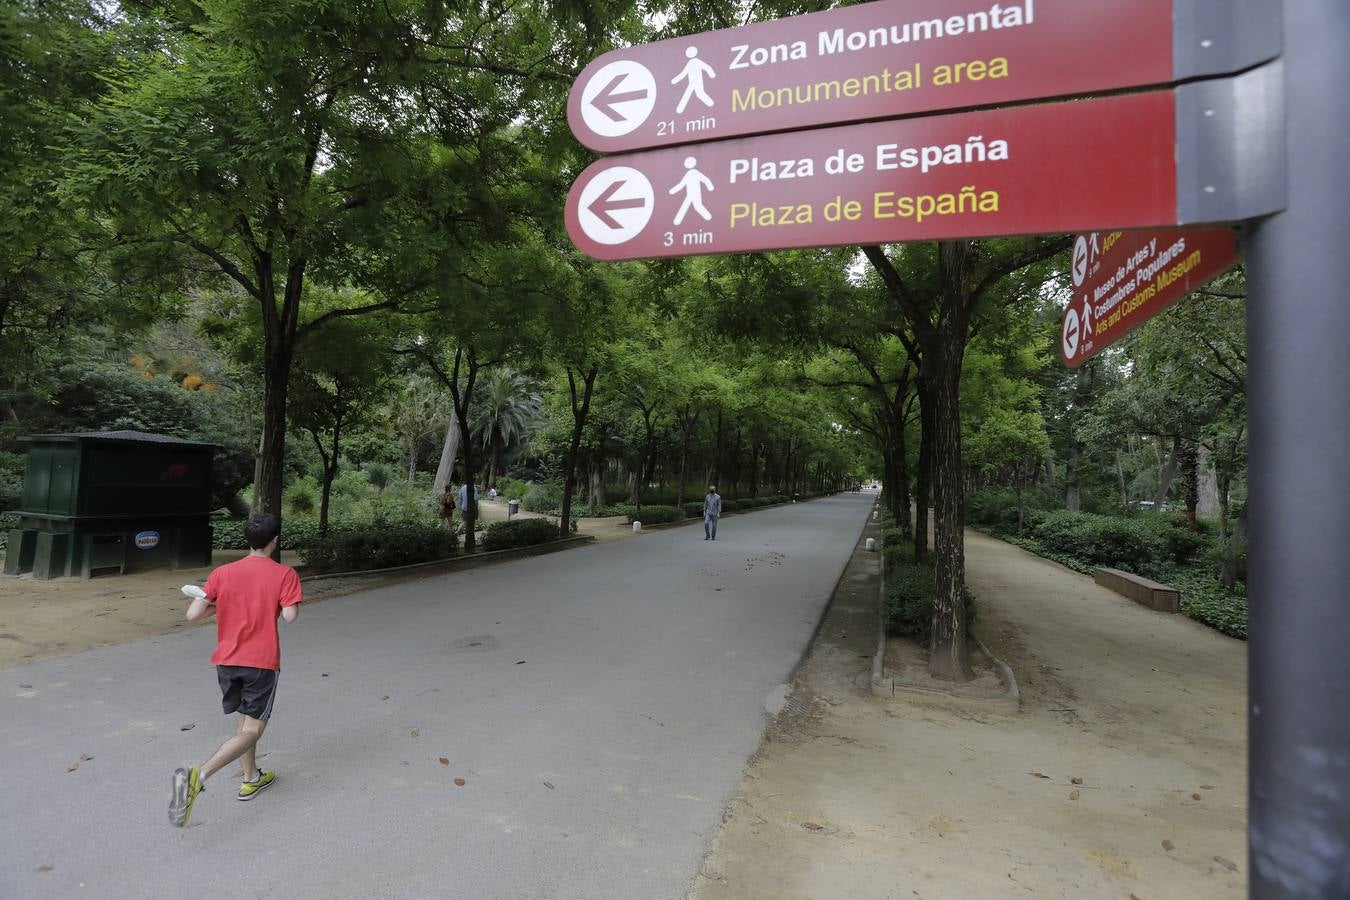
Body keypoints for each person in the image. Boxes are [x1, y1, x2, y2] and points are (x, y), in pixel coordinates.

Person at [168, 513, 302, 828]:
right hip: (260, 662)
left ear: (248, 540)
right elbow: (291, 616)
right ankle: (197, 776)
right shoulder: (284, 574)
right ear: (275, 541)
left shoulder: (223, 572)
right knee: (253, 730)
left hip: (227, 662)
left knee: (244, 722)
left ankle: (251, 777)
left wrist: (218, 603)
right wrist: (282, 603)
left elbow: (192, 614)